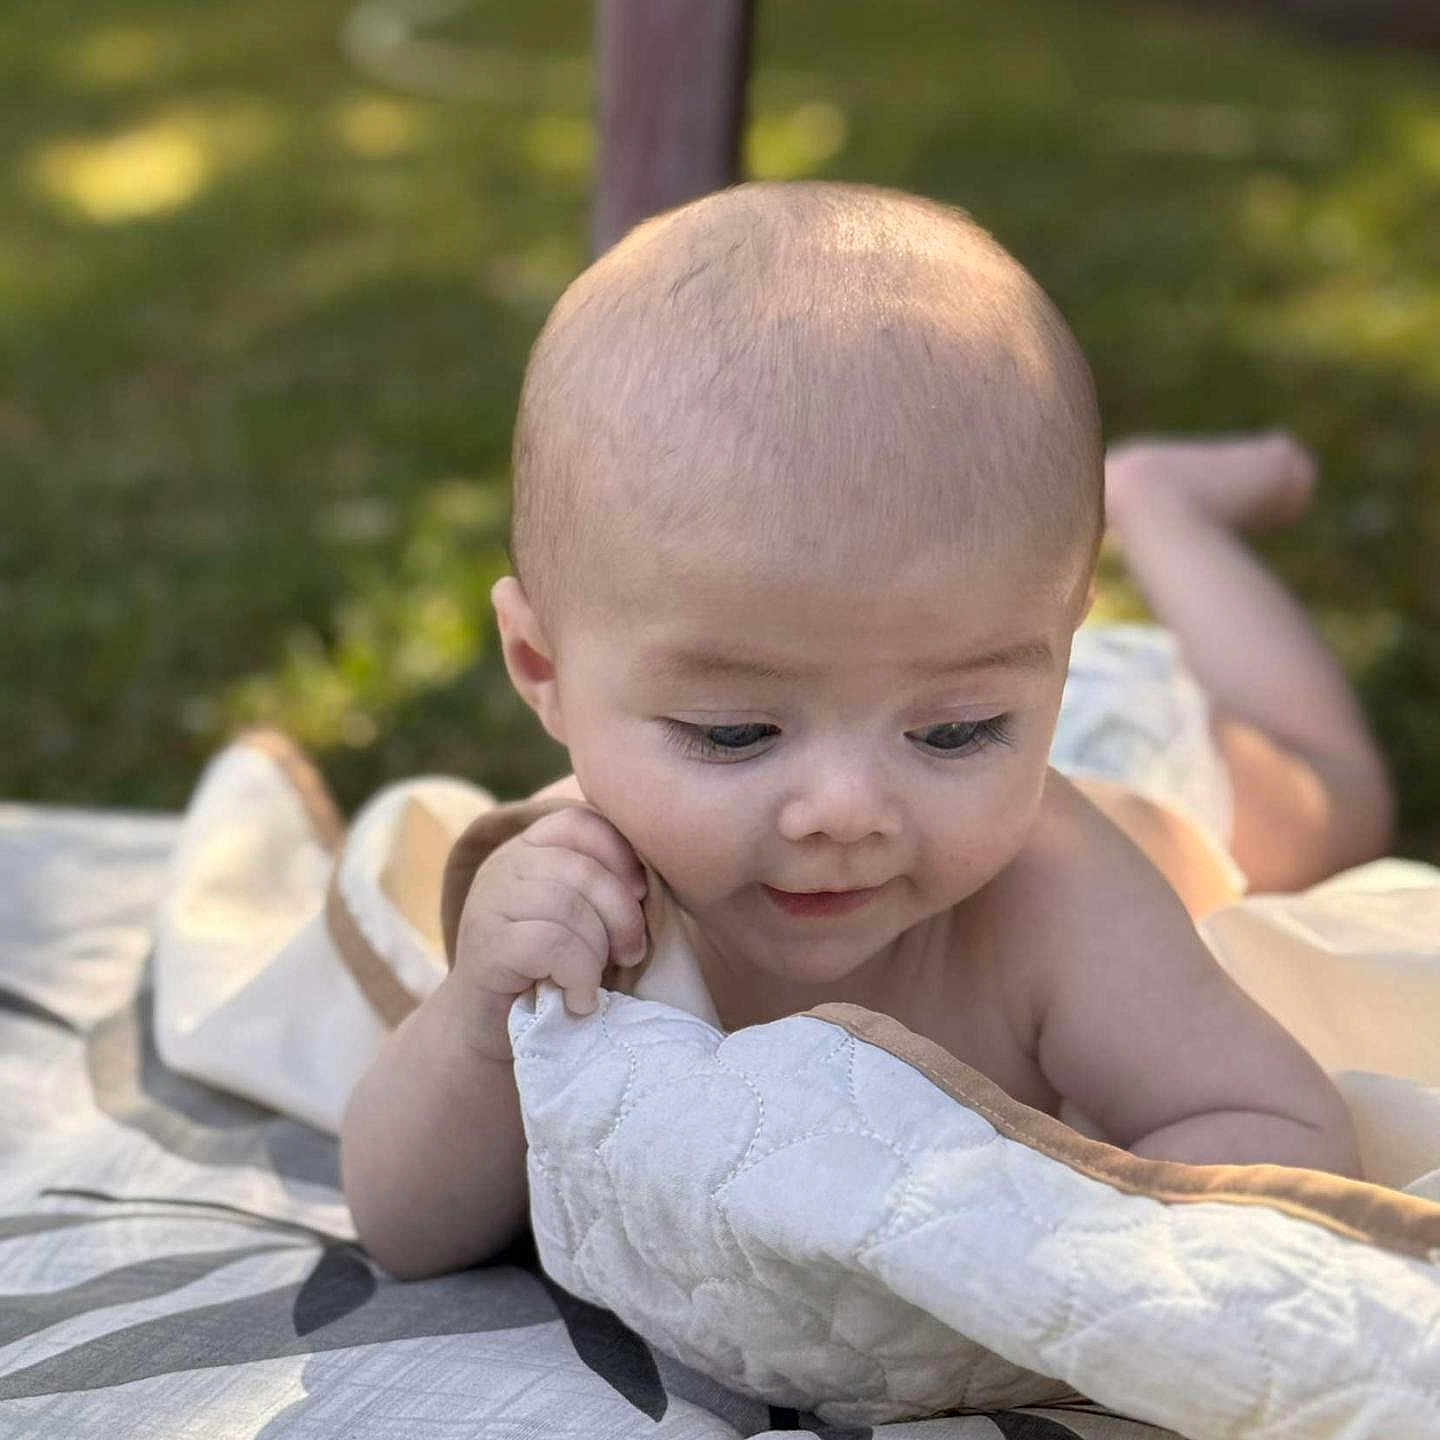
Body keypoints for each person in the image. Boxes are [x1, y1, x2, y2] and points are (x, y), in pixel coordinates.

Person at [341, 181, 1391, 1280]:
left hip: (1155, 773)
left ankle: (1163, 511)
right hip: (988, 685)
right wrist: (475, 1019)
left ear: (1056, 657)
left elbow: (1287, 1136)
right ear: (542, 669)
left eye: (954, 733)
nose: (845, 811)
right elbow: (403, 1230)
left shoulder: (1060, 899)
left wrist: (1023, 1253)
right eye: (737, 732)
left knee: (1336, 797)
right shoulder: (572, 899)